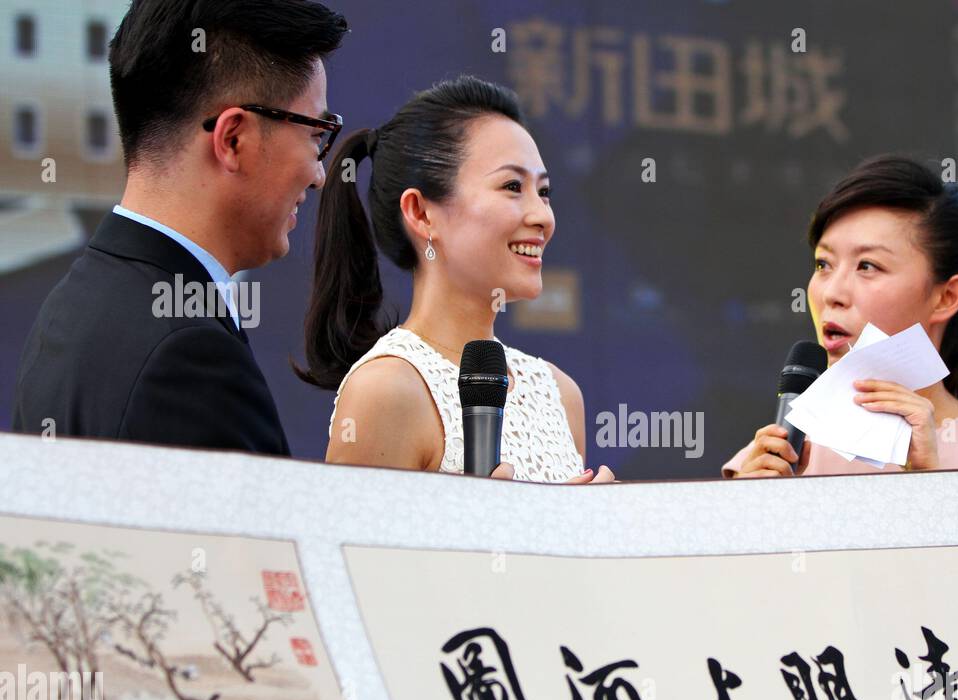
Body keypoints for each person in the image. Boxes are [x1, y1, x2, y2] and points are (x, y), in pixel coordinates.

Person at [11, 0, 348, 454]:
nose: (319, 173)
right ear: (233, 139)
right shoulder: (189, 355)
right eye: (316, 134)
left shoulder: (74, 303)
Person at [298, 76, 611, 483]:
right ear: (422, 214)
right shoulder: (387, 390)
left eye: (545, 191)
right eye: (512, 186)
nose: (542, 217)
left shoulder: (559, 393)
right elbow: (353, 547)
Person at [724, 155, 958, 478]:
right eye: (823, 264)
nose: (832, 293)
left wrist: (928, 487)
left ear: (946, 297)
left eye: (867, 266)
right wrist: (754, 510)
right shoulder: (774, 460)